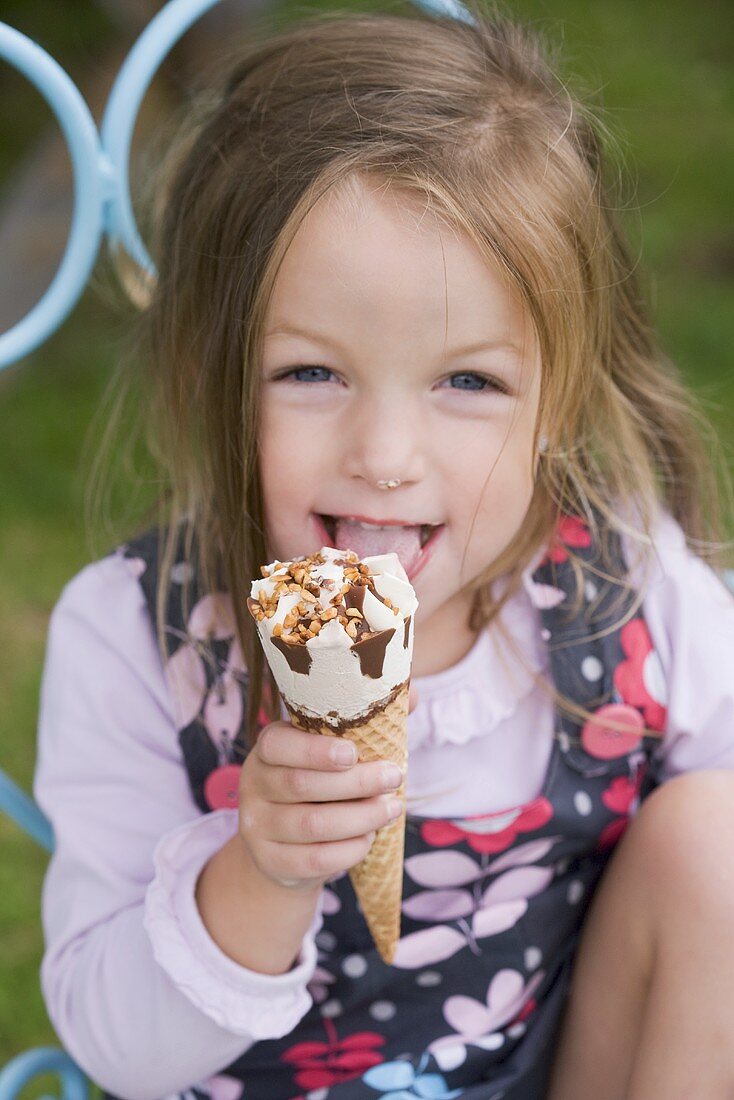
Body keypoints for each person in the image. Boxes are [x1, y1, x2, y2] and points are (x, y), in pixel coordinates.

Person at [32, 3, 734, 1098]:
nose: (386, 455)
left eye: (469, 382)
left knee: (718, 840)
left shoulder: (624, 593)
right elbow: (114, 1049)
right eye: (312, 372)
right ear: (209, 377)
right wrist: (258, 869)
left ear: (558, 400)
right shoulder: (141, 632)